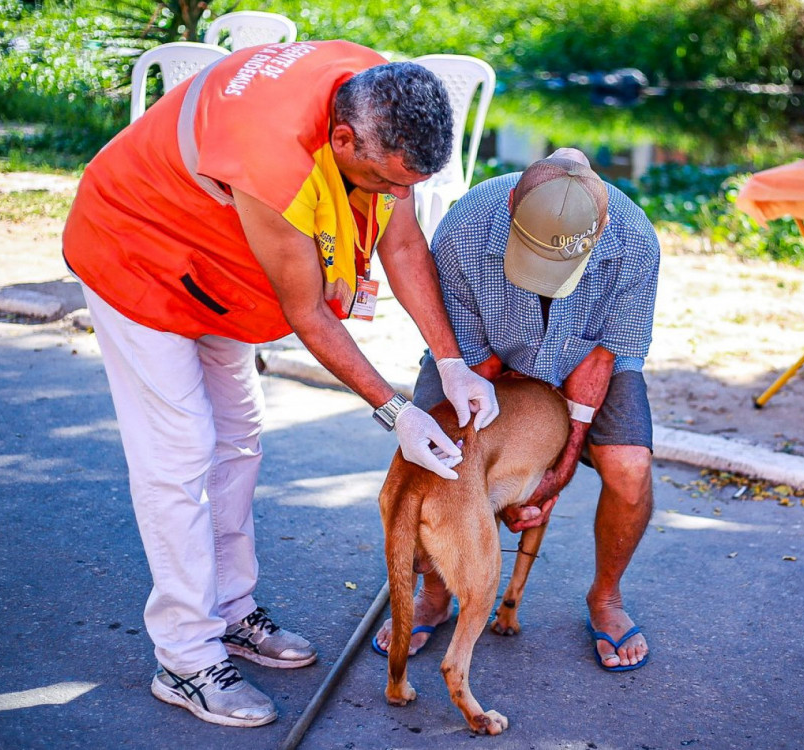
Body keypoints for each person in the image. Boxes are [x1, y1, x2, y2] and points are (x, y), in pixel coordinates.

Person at [62, 41, 500, 728]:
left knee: (239, 438)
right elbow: (308, 314)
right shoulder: (273, 158)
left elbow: (404, 243)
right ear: (343, 137)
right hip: (138, 253)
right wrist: (395, 412)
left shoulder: (379, 95)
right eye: (386, 183)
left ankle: (232, 613)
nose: (395, 198)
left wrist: (450, 362)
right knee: (179, 455)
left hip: (218, 266)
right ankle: (185, 656)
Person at [372, 148, 661, 671]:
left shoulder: (636, 242)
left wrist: (555, 472)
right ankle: (435, 596)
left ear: (602, 228)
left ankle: (606, 598)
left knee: (630, 467)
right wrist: (503, 479)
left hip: (585, 359)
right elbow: (475, 366)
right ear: (510, 205)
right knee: (438, 459)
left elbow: (601, 361)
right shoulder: (465, 227)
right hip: (477, 357)